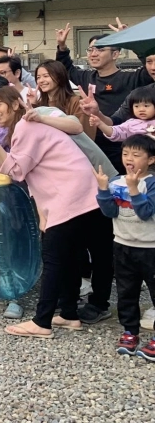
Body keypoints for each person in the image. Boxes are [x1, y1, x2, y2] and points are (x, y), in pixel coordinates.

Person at [0, 85, 114, 337]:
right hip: (81, 192)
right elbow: (27, 170)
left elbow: (18, 170)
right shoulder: (27, 126)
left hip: (69, 195)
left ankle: (42, 321)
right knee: (71, 255)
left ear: (15, 103)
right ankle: (68, 314)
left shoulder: (27, 124)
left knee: (54, 258)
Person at [54, 23, 153, 173]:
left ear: (115, 54)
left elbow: (149, 68)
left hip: (125, 147)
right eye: (90, 49)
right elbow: (65, 68)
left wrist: (130, 41)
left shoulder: (130, 78)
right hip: (94, 144)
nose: (93, 54)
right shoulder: (86, 77)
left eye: (100, 49)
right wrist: (62, 47)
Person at [95, 134, 155, 359]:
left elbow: (146, 212)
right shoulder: (117, 181)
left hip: (151, 246)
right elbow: (110, 212)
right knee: (126, 291)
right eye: (125, 153)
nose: (129, 158)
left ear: (150, 160)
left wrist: (134, 189)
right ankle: (130, 331)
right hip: (122, 243)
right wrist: (103, 189)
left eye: (136, 155)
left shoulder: (151, 183)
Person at [34, 60, 95, 140]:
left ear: (59, 77)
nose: (41, 80)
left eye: (46, 76)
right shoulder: (40, 104)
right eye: (38, 77)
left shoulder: (76, 102)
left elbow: (85, 136)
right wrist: (33, 105)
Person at [90, 86, 155, 142]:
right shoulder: (131, 124)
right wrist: (100, 124)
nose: (141, 110)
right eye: (136, 106)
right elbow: (115, 132)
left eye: (146, 106)